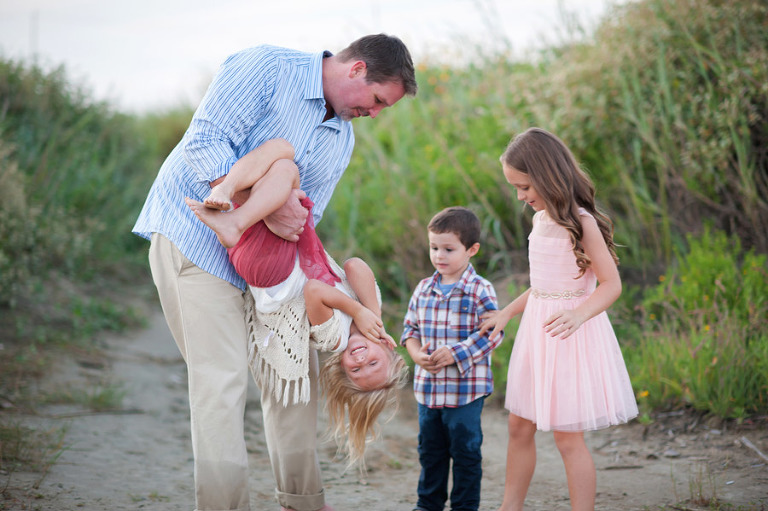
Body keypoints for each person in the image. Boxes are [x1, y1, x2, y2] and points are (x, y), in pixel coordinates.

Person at [132, 33, 417, 511]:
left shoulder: (341, 139)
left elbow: (306, 219)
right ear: (357, 69)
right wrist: (261, 205)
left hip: (271, 268)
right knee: (222, 382)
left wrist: (293, 239)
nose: (373, 114)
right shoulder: (266, 67)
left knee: (295, 381)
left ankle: (302, 502)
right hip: (196, 240)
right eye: (377, 101)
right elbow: (203, 142)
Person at [184, 138, 408, 464]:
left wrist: (357, 310)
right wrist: (371, 313)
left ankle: (233, 219)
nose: (360, 359)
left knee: (285, 171)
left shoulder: (334, 339)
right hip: (283, 254)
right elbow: (355, 266)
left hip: (271, 270)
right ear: (388, 349)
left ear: (343, 369)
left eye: (356, 370)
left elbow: (315, 291)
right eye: (372, 363)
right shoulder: (366, 317)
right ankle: (229, 197)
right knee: (283, 158)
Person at [479, 128, 639, 511]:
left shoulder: (582, 223)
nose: (520, 196)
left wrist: (579, 314)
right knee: (519, 426)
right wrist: (506, 312)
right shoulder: (540, 220)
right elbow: (542, 288)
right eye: (516, 188)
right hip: (537, 335)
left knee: (567, 437)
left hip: (570, 337)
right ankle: (509, 507)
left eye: (524, 187)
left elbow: (611, 284)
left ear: (547, 175)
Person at [400, 206, 503, 511]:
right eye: (434, 247)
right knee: (430, 451)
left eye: (448, 249)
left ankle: (464, 506)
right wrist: (416, 354)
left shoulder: (479, 289)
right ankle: (427, 504)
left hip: (465, 391)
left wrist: (455, 353)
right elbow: (410, 330)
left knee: (466, 451)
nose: (439, 256)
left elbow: (493, 333)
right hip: (428, 390)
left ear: (472, 250)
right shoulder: (423, 289)